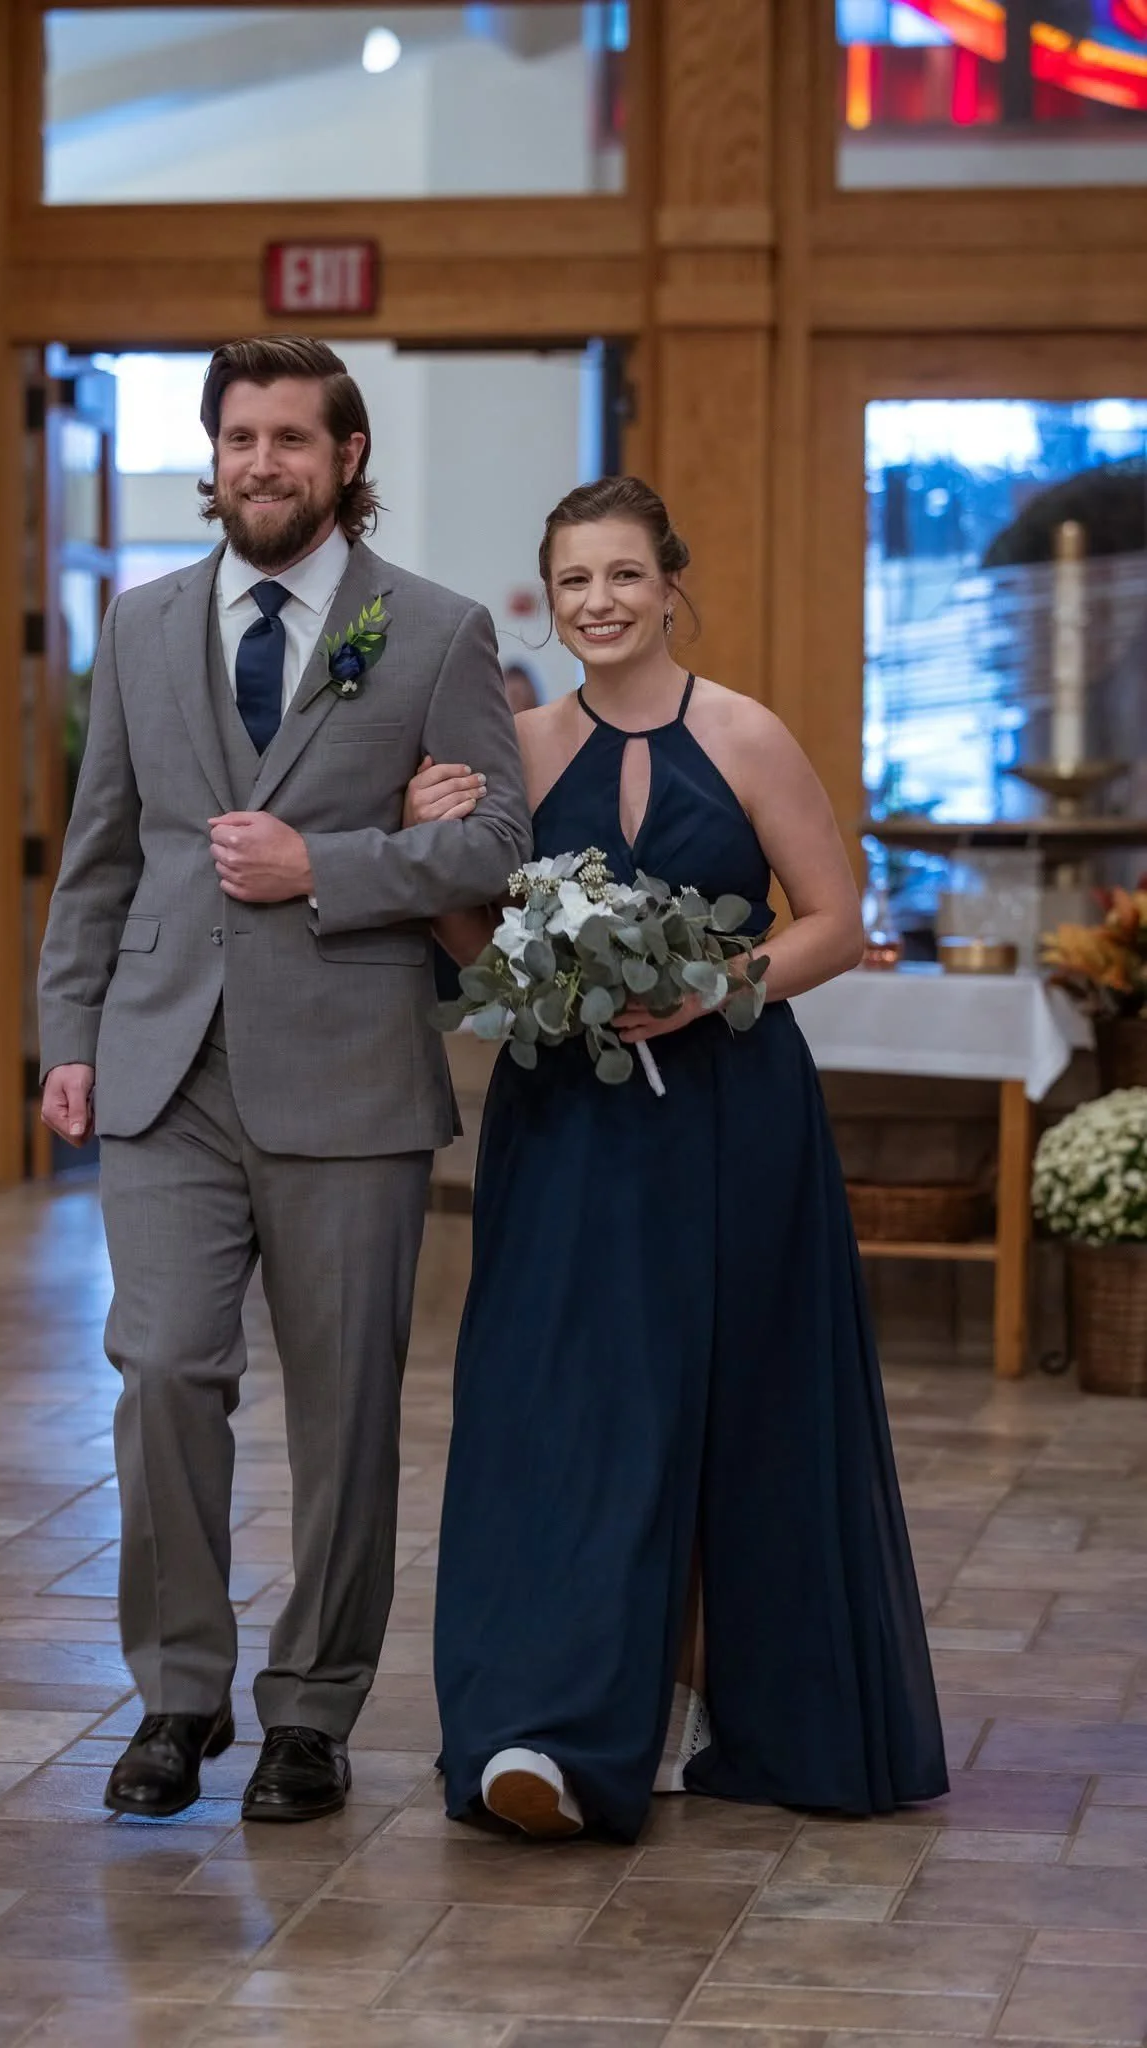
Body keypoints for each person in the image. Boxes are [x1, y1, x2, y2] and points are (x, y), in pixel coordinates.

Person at [410, 476, 947, 1843]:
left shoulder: (746, 735)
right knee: (565, 1404)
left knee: (740, 1400)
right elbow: (468, 934)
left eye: (624, 577)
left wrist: (720, 986)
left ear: (670, 584)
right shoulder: (519, 747)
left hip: (733, 1118)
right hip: (571, 1123)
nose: (599, 602)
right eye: (575, 579)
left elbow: (836, 917)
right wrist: (473, 900)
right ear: (551, 590)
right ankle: (551, 1720)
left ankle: (724, 1697)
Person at [38, 337, 530, 1824]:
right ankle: (177, 1696)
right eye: (240, 436)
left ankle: (313, 1711)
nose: (263, 462)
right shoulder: (140, 624)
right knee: (165, 1375)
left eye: (291, 439)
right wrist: (67, 1037)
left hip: (351, 1073)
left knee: (345, 1405)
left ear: (347, 457)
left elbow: (499, 845)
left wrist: (339, 862)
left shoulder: (434, 632)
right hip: (162, 1063)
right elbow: (102, 852)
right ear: (215, 454)